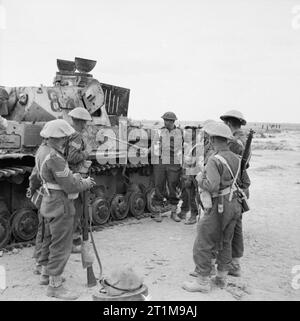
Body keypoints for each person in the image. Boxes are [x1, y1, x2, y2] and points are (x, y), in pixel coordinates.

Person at [182, 122, 249, 293]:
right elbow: (243, 180)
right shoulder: (235, 158)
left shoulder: (214, 160)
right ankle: (221, 278)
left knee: (203, 241)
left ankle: (203, 282)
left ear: (212, 140)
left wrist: (199, 179)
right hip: (234, 204)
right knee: (226, 241)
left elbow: (212, 186)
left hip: (220, 205)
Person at [34, 119, 95, 300]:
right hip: (61, 205)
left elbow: (40, 177)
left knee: (48, 239)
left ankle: (46, 274)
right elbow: (70, 186)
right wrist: (84, 182)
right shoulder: (55, 157)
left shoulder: (42, 151)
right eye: (62, 138)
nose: (64, 141)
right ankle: (55, 287)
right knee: (61, 245)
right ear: (53, 138)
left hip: (48, 202)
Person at [220, 109, 251, 277]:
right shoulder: (244, 139)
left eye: (225, 124)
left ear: (229, 123)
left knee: (228, 227)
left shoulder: (233, 142)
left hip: (232, 188)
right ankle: (236, 263)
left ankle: (228, 265)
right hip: (240, 187)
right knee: (237, 226)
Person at [65, 107, 93, 253]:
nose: (85, 125)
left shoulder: (66, 132)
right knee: (77, 208)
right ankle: (72, 241)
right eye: (84, 122)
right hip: (74, 175)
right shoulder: (76, 135)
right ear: (79, 121)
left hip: (67, 174)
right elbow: (72, 157)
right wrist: (86, 153)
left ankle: (73, 239)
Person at [151, 111, 183, 223]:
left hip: (174, 162)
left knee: (173, 186)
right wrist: (151, 151)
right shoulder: (159, 132)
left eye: (168, 120)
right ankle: (158, 212)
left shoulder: (180, 132)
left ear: (173, 121)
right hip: (160, 161)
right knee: (158, 186)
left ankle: (174, 212)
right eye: (165, 120)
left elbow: (184, 147)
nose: (166, 122)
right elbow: (154, 145)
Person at [178, 126, 200, 224]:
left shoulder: (197, 146)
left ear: (195, 134)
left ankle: (193, 216)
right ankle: (184, 211)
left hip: (191, 174)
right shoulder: (188, 145)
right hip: (185, 172)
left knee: (192, 195)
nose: (187, 135)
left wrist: (189, 178)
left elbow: (195, 163)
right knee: (185, 193)